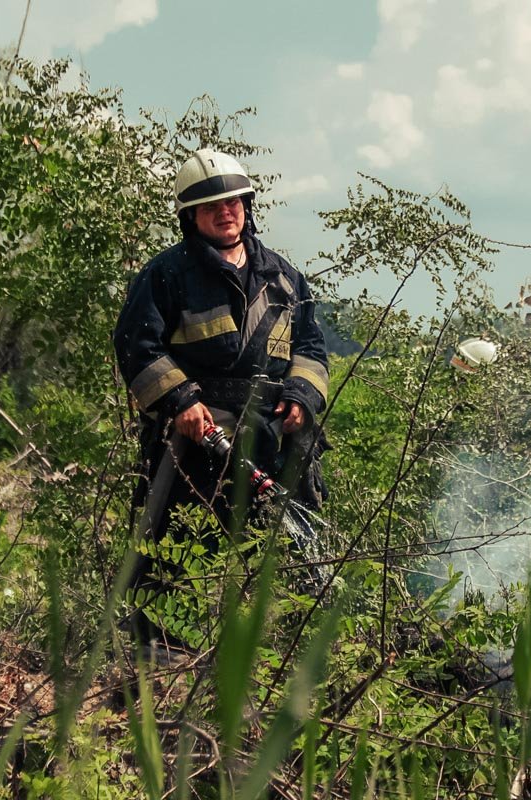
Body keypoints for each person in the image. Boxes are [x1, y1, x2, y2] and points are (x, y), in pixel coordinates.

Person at [112, 148, 329, 655]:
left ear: (247, 206)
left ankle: (286, 653)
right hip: (196, 438)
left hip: (271, 434)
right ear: (191, 217)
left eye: (233, 203)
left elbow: (312, 348)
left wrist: (300, 396)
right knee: (177, 543)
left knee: (286, 545)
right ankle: (158, 655)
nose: (226, 212)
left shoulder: (283, 276)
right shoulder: (167, 274)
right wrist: (180, 400)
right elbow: (137, 346)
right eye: (212, 207)